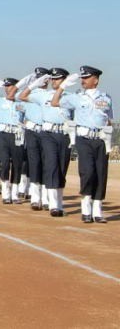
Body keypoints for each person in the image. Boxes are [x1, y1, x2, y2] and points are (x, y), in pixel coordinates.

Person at [51, 66, 113, 223]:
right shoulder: (76, 97)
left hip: (101, 139)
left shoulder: (106, 98)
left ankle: (97, 209)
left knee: (101, 173)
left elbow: (109, 119)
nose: (83, 81)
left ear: (96, 80)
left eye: (86, 78)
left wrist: (109, 140)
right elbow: (54, 102)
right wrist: (63, 86)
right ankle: (86, 208)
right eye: (82, 78)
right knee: (87, 172)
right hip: (83, 139)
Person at [20, 67, 72, 217]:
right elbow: (22, 96)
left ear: (65, 81)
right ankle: (52, 204)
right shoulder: (44, 95)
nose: (54, 81)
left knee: (62, 168)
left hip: (64, 134)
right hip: (47, 134)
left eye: (58, 79)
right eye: (53, 79)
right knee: (50, 165)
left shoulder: (70, 97)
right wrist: (33, 84)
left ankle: (58, 203)